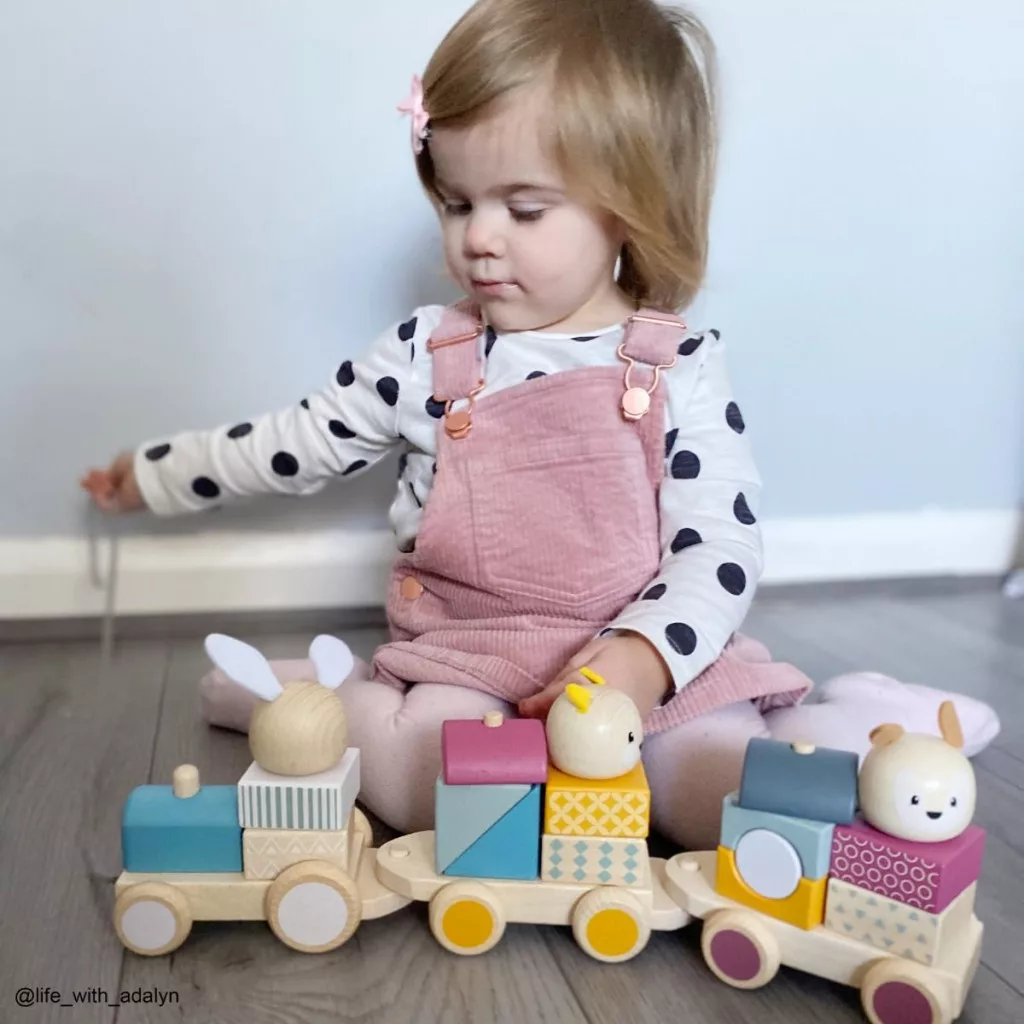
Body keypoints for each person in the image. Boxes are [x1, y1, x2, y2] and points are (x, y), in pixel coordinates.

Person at [83, 0, 998, 849]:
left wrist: (641, 661)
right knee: (427, 791)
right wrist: (155, 473)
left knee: (715, 800)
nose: (479, 236)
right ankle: (304, 705)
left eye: (523, 209)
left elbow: (720, 546)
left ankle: (865, 718)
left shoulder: (678, 365)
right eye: (457, 202)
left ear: (631, 209)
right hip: (472, 658)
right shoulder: (426, 354)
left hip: (642, 659)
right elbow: (297, 443)